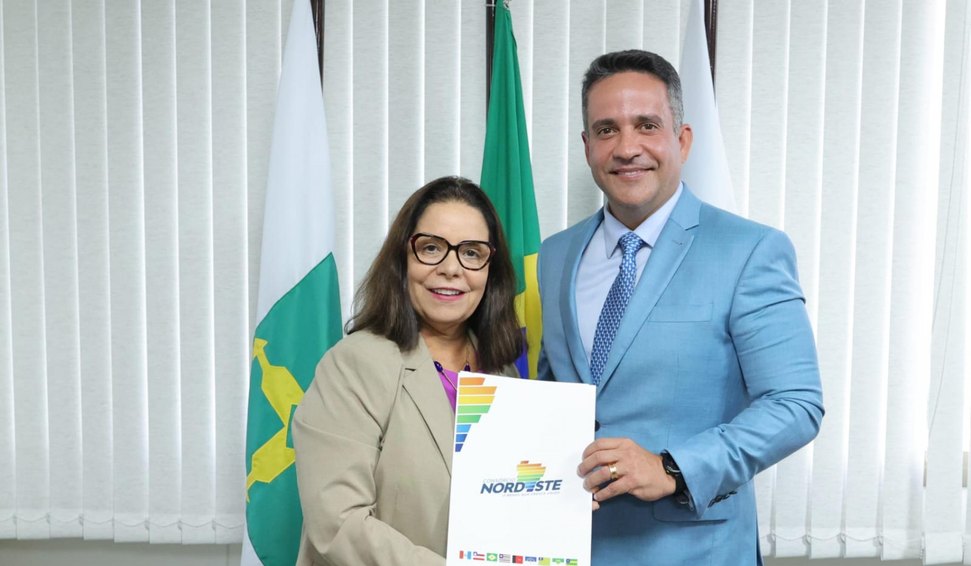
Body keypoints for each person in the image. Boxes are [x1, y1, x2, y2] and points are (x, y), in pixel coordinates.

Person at [537, 49, 824, 565]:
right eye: (606, 130)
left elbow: (795, 404)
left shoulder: (750, 250)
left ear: (683, 140)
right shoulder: (555, 256)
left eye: (647, 125)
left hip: (697, 550)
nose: (627, 147)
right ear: (587, 146)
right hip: (572, 545)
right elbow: (554, 395)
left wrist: (672, 467)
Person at [292, 176, 524, 565]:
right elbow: (338, 524)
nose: (451, 269)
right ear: (403, 258)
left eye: (471, 253)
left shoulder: (504, 373)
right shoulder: (354, 365)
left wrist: (557, 502)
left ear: (490, 269)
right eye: (431, 248)